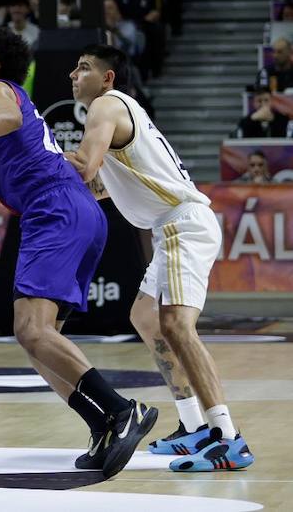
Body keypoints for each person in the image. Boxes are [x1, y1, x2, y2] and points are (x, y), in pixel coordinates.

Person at [0, 27, 156, 480]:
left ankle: (122, 410)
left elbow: (6, 119)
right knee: (38, 343)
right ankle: (102, 424)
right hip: (72, 211)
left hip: (55, 208)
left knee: (29, 330)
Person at [68, 45, 254, 472]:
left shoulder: (105, 105)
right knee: (146, 318)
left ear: (108, 77)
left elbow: (83, 168)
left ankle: (228, 437)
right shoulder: (116, 112)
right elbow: (98, 186)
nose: (72, 76)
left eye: (83, 68)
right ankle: (192, 426)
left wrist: (30, 155)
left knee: (175, 325)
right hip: (172, 226)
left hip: (181, 224)